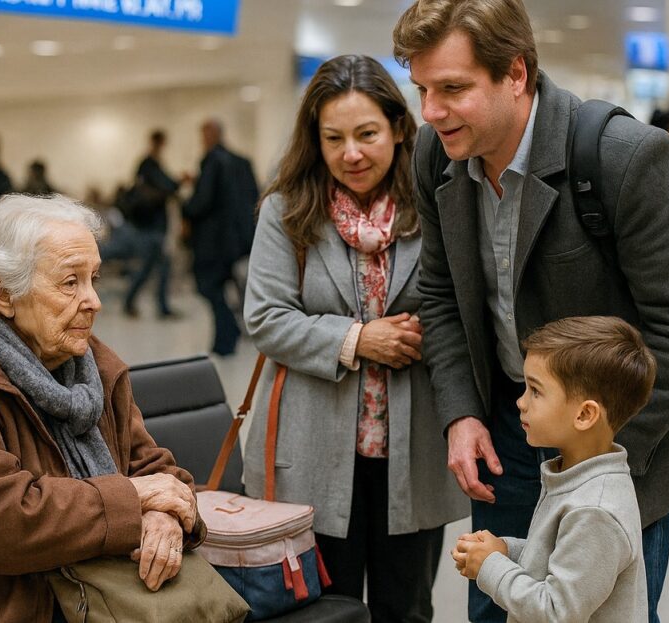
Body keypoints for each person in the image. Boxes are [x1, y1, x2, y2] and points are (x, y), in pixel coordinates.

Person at [392, 2, 669, 622]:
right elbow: (441, 292)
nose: (430, 112)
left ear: (517, 73)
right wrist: (461, 413)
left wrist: (600, 457)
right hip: (511, 424)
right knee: (498, 605)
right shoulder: (434, 156)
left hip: (616, 445)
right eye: (422, 89)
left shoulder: (624, 158)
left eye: (452, 89)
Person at [0, 194, 206, 621]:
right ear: (3, 295)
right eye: (70, 282)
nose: (94, 300)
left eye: (93, 278)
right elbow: (1, 521)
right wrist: (133, 499)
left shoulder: (90, 364)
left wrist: (167, 519)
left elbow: (154, 470)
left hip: (90, 596)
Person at [243, 55, 467, 622]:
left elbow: (462, 307)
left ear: (397, 126)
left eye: (367, 134)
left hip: (412, 452)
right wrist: (359, 339)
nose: (351, 154)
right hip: (313, 450)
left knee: (408, 607)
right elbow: (266, 317)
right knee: (327, 611)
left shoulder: (438, 202)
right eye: (333, 138)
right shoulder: (287, 211)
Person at [452, 316, 655, 622]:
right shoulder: (574, 477)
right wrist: (505, 551)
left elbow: (555, 610)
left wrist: (490, 566)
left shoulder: (596, 510)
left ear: (585, 414)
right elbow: (555, 559)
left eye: (535, 391)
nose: (521, 402)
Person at [183, 119, 258, 355]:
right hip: (237, 240)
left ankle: (227, 336)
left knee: (209, 287)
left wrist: (185, 207)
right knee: (228, 286)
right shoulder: (241, 162)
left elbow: (202, 202)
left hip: (213, 242)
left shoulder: (212, 161)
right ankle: (229, 334)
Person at [124, 129, 181, 318]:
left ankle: (132, 302)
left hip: (151, 225)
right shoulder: (149, 164)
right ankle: (159, 307)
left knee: (150, 267)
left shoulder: (150, 165)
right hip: (150, 226)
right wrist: (178, 182)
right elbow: (168, 185)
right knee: (158, 266)